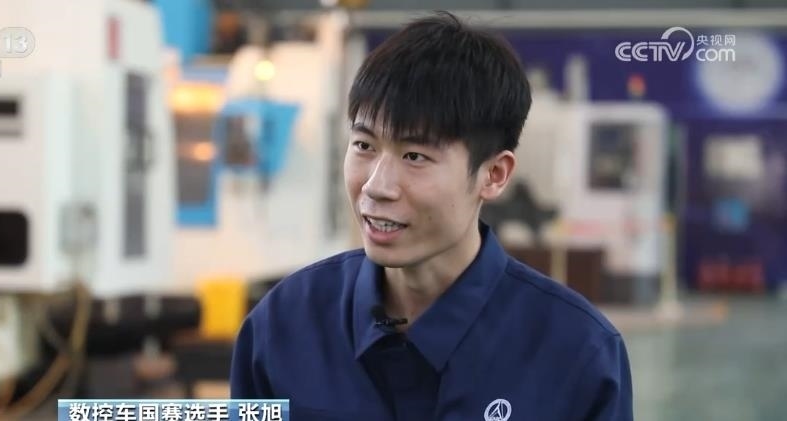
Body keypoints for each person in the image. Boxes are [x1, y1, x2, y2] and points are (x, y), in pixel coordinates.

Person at [230, 11, 633, 421]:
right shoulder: (282, 327)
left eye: (414, 156)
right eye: (364, 145)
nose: (377, 186)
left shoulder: (577, 354)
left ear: (493, 175)